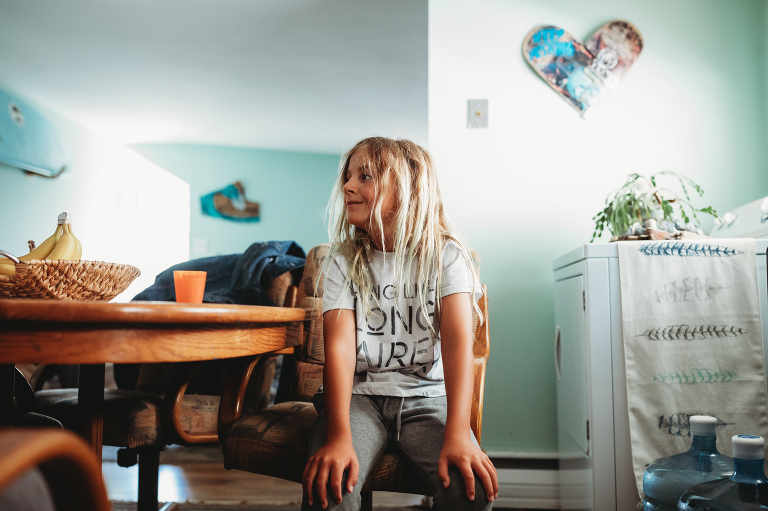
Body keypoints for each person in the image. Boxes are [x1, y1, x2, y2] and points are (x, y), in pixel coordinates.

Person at [302, 137, 498, 510]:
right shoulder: (343, 260)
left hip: (428, 401)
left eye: (365, 176)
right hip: (357, 402)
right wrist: (339, 434)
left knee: (469, 489)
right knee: (330, 487)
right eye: (348, 176)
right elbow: (340, 350)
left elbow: (459, 343)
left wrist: (459, 432)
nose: (347, 186)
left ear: (408, 190)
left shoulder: (448, 256)